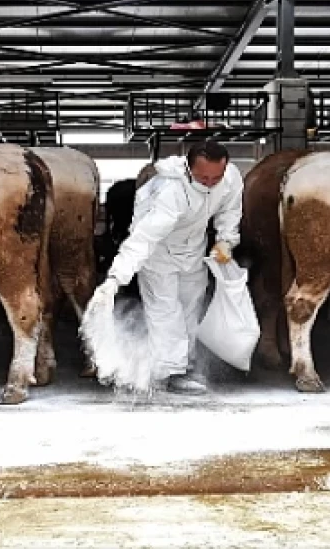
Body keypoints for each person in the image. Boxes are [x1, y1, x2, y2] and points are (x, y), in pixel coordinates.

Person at [95, 139, 243, 395]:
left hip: (193, 250)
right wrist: (116, 277)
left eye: (215, 177)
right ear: (188, 168)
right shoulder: (169, 191)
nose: (209, 183)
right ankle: (169, 372)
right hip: (158, 253)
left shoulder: (230, 178)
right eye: (203, 177)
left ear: (225, 167)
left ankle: (186, 364)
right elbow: (144, 237)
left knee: (190, 307)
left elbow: (230, 210)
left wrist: (225, 240)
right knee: (165, 310)